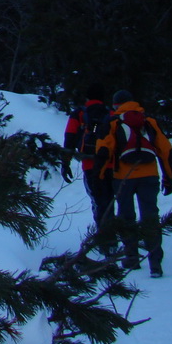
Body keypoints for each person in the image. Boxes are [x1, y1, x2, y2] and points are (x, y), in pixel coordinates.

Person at [93, 89, 172, 278]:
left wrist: (99, 176)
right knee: (150, 217)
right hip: (150, 175)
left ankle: (131, 258)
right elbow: (166, 151)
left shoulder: (113, 122)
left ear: (115, 105)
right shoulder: (148, 121)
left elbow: (104, 151)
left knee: (126, 217)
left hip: (124, 177)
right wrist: (168, 178)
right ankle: (155, 264)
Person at [61, 84, 114, 239]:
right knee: (109, 202)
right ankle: (111, 238)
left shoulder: (79, 113)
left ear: (87, 97)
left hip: (90, 165)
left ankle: (104, 240)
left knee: (98, 202)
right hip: (110, 164)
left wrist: (65, 163)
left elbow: (69, 138)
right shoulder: (111, 113)